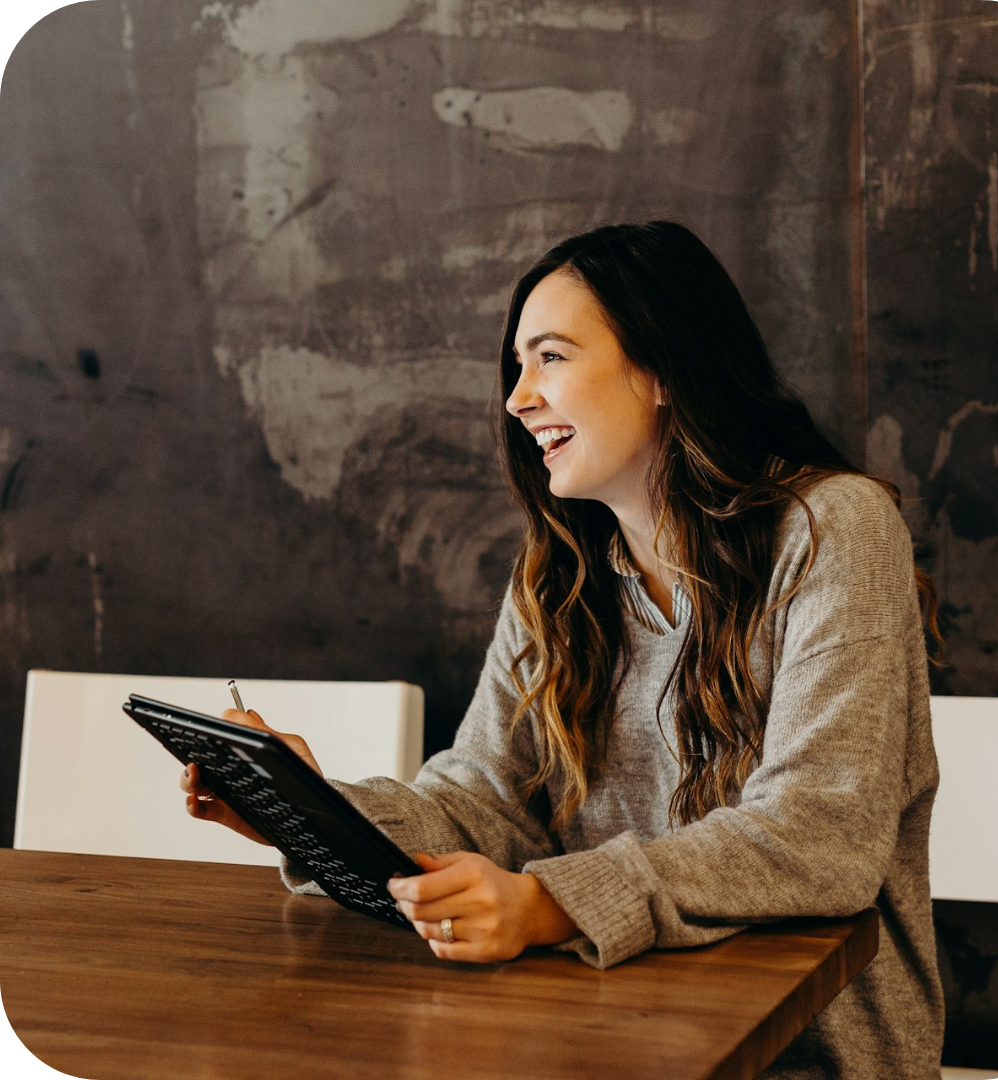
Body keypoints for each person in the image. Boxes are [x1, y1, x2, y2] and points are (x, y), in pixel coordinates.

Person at [181, 221, 945, 1078]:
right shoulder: (558, 578)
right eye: (517, 366)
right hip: (602, 1037)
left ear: (662, 369)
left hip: (804, 1058)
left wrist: (548, 904)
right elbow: (484, 803)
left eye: (549, 357)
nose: (517, 399)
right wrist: (314, 813)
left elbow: (818, 835)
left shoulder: (833, 529)